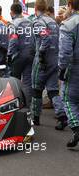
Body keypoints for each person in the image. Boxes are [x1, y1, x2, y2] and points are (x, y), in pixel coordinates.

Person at [31, 0, 67, 128]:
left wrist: (40, 54)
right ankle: (62, 116)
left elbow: (45, 38)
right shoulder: (53, 22)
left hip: (43, 60)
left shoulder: (38, 21)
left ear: (35, 8)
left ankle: (35, 118)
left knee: (36, 89)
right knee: (53, 90)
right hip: (54, 59)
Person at [58, 0, 79, 148]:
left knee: (68, 99)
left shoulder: (68, 24)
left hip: (75, 67)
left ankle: (77, 129)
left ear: (70, 6)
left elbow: (65, 52)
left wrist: (62, 69)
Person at [7, 3, 35, 105]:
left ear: (12, 12)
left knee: (15, 82)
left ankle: (16, 105)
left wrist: (9, 55)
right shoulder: (30, 22)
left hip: (18, 55)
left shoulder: (13, 23)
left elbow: (13, 40)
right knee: (27, 83)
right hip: (31, 54)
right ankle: (27, 106)